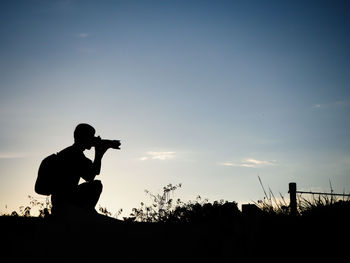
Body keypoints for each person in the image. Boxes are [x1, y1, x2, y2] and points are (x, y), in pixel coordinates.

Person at [51, 123, 120, 216]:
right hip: (65, 201)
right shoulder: (75, 154)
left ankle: (85, 212)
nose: (93, 139)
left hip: (59, 200)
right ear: (83, 137)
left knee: (95, 185)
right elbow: (91, 176)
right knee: (96, 185)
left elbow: (94, 173)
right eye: (91, 136)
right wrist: (99, 154)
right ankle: (86, 213)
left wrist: (100, 151)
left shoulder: (71, 152)